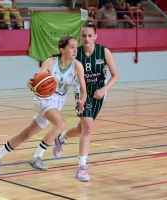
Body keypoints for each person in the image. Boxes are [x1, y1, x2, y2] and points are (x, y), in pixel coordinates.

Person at [0, 35, 87, 177]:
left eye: (76, 47)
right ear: (62, 49)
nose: (75, 50)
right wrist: (31, 82)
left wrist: (82, 100)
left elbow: (84, 91)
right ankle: (37, 157)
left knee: (26, 135)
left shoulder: (77, 66)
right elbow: (36, 80)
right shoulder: (51, 62)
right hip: (44, 99)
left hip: (58, 102)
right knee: (61, 124)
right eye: (72, 47)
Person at [52, 18, 119, 182]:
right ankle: (82, 168)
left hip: (99, 92)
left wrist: (103, 89)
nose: (86, 38)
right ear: (80, 37)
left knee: (82, 129)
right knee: (88, 127)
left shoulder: (104, 52)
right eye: (83, 36)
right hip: (82, 93)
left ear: (96, 36)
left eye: (90, 35)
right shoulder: (76, 54)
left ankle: (60, 139)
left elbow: (115, 76)